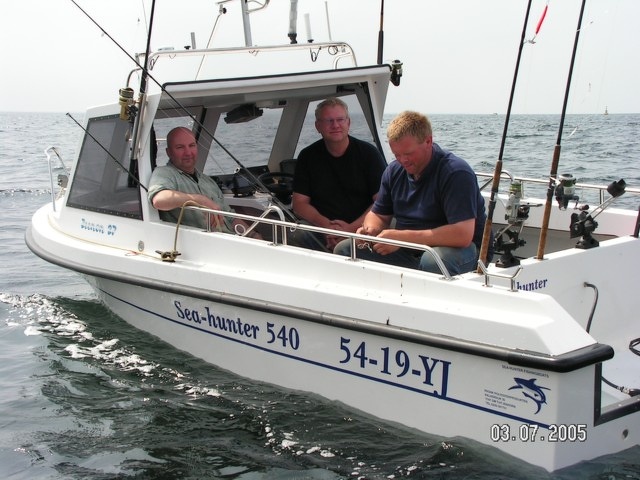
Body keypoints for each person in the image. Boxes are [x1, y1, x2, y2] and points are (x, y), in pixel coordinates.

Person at [334, 111, 491, 275]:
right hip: (408, 249)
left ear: (428, 141)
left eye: (408, 153)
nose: (403, 160)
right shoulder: (394, 171)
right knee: (346, 250)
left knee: (433, 261)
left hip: (463, 251)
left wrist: (401, 239)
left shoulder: (455, 173)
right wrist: (370, 231)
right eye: (397, 155)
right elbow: (379, 215)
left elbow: (462, 235)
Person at [291, 97, 387, 251]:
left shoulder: (369, 154)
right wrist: (327, 227)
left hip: (362, 229)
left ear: (348, 123)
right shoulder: (307, 156)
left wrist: (350, 230)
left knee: (346, 247)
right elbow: (299, 203)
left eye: (340, 119)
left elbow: (382, 202)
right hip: (322, 230)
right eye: (328, 121)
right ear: (318, 126)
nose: (335, 125)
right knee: (296, 233)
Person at [148, 127, 247, 234]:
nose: (188, 153)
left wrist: (253, 234)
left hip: (232, 238)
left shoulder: (208, 181)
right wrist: (200, 200)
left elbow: (230, 218)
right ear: (168, 152)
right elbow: (159, 200)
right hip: (203, 241)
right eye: (180, 147)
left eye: (191, 145)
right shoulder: (164, 173)